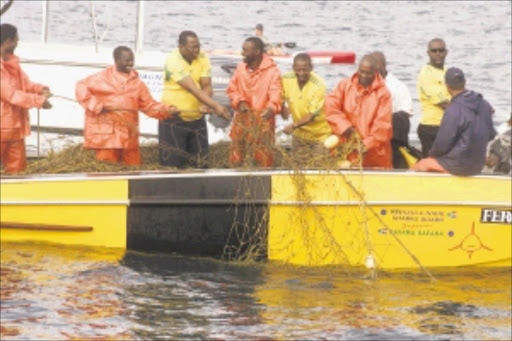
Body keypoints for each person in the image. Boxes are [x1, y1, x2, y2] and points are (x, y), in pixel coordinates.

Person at [76, 46, 177, 165]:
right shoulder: (101, 78)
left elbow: (149, 105)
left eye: (132, 60)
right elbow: (80, 87)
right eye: (127, 60)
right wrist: (96, 105)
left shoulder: (137, 83)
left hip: (129, 136)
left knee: (133, 167)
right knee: (105, 169)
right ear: (116, 60)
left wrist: (167, 110)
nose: (130, 63)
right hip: (107, 137)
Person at [159, 31, 230, 168]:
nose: (197, 50)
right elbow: (193, 89)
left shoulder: (203, 57)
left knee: (201, 163)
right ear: (181, 47)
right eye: (193, 47)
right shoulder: (173, 61)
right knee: (172, 165)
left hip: (197, 117)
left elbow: (206, 86)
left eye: (198, 46)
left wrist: (205, 103)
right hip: (174, 118)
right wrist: (216, 106)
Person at [412, 67, 496, 176]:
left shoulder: (453, 109)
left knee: (420, 165)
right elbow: (491, 135)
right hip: (478, 164)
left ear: (447, 87)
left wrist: (431, 155)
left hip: (458, 166)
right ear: (465, 82)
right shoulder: (484, 104)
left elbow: (442, 145)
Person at [325, 54, 393, 169]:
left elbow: (383, 126)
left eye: (368, 73)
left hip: (373, 155)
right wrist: (344, 127)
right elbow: (330, 106)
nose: (364, 76)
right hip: (346, 149)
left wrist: (366, 144)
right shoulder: (344, 85)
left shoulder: (383, 93)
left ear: (375, 73)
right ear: (357, 70)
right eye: (362, 72)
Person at [1, 23, 52, 174]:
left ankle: (13, 197)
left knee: (18, 170)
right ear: (8, 41)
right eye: (16, 40)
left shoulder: (11, 63)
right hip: (2, 128)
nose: (18, 43)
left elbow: (24, 83)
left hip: (15, 128)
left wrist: (40, 89)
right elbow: (10, 95)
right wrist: (39, 101)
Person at [226, 37, 282, 167]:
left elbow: (276, 94)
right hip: (242, 121)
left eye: (245, 50)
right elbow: (232, 90)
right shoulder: (240, 68)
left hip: (262, 123)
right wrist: (239, 102)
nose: (242, 53)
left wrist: (271, 108)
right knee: (236, 157)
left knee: (263, 159)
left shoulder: (273, 71)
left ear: (257, 52)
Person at [281, 53, 331, 159]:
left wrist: (292, 126)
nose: (301, 73)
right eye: (298, 70)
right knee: (297, 166)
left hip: (319, 135)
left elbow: (310, 117)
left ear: (311, 68)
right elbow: (276, 92)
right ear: (293, 68)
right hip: (299, 134)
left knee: (318, 167)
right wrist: (282, 107)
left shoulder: (318, 85)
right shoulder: (286, 78)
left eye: (305, 70)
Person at [371, 51, 414, 169]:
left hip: (390, 134)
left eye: (376, 65)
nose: (373, 69)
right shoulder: (363, 84)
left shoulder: (398, 87)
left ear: (384, 66)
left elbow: (405, 115)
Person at [416, 38, 451, 157]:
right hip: (431, 127)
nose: (437, 54)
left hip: (447, 126)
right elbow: (445, 103)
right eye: (434, 50)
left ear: (446, 52)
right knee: (432, 165)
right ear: (428, 53)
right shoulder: (426, 74)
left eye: (440, 50)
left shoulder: (448, 72)